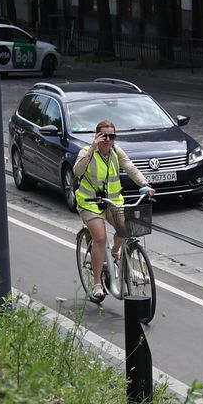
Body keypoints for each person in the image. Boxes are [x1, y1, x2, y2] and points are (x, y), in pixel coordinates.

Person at [72, 120, 151, 304]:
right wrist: (92, 149)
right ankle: (98, 285)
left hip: (112, 201)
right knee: (100, 239)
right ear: (97, 136)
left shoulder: (116, 151)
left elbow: (130, 167)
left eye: (112, 136)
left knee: (124, 230)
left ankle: (114, 253)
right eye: (104, 135)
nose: (108, 139)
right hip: (90, 203)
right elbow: (77, 171)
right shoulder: (87, 152)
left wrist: (145, 184)